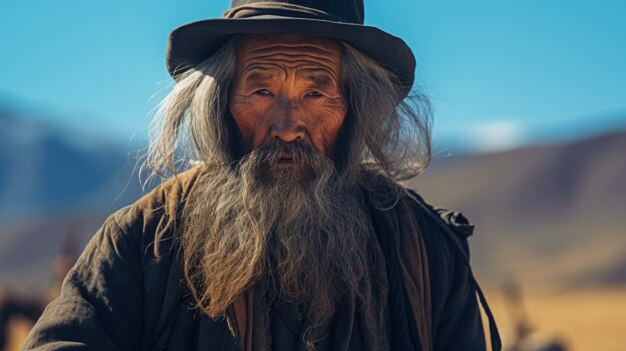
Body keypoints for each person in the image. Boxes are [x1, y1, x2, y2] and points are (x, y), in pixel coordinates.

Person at [24, 0, 501, 350]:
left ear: (354, 106)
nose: (287, 126)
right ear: (221, 102)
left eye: (316, 95)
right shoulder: (145, 240)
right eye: (262, 91)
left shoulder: (424, 251)